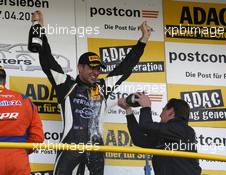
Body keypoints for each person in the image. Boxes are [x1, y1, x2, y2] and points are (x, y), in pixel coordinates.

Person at [30, 10, 152, 175]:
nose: (95, 72)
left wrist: (143, 40)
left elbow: (125, 67)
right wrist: (38, 26)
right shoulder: (66, 85)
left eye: (98, 69)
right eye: (91, 68)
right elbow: (46, 59)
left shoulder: (103, 87)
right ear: (80, 67)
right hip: (69, 148)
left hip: (95, 150)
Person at [118, 92, 202, 175]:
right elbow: (139, 139)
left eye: (163, 110)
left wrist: (146, 107)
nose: (160, 115)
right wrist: (128, 110)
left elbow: (146, 125)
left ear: (171, 112)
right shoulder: (167, 135)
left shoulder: (183, 130)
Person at [0, 66, 44, 175]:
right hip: (18, 158)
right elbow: (37, 137)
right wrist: (22, 151)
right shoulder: (24, 100)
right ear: (4, 81)